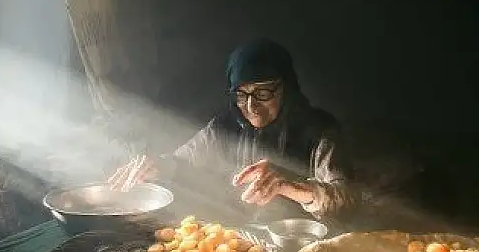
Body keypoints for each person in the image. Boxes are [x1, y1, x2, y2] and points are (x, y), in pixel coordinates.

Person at [107, 39, 359, 222]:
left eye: (263, 93)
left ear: (288, 89)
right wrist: (158, 164)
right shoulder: (225, 126)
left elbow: (347, 200)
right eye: (241, 94)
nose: (251, 106)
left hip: (302, 249)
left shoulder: (319, 130)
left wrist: (291, 186)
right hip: (243, 243)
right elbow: (182, 162)